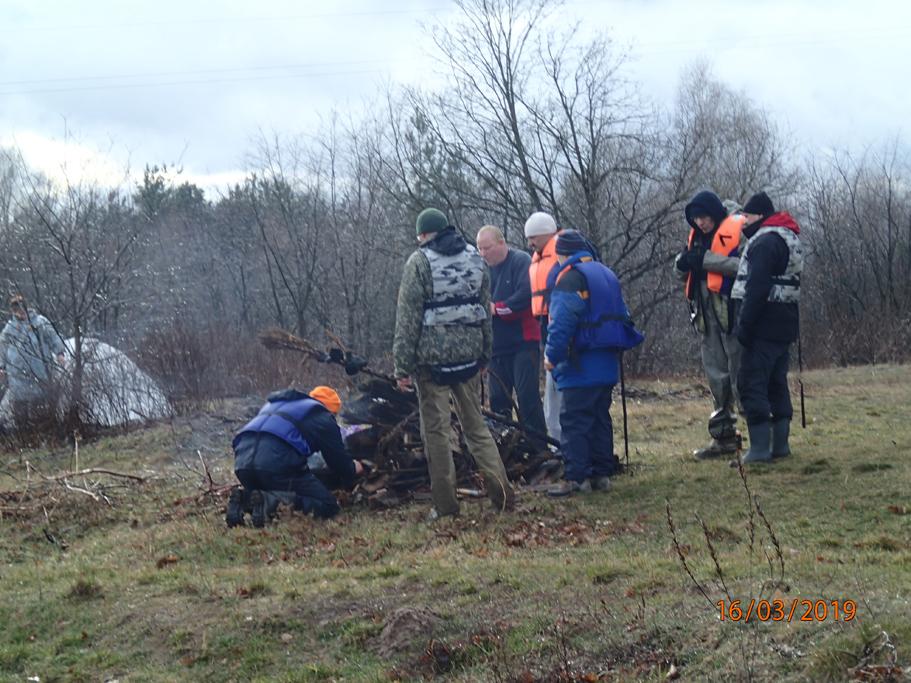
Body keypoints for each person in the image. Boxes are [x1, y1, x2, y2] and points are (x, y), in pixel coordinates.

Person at [393, 208, 514, 519]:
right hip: (469, 358)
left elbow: (407, 320)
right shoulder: (475, 258)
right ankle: (503, 497)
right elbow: (484, 311)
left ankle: (446, 507)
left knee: (436, 433)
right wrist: (485, 354)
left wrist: (401, 367)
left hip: (431, 363)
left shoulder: (419, 261)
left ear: (423, 235)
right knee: (476, 428)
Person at [543, 230, 644, 497]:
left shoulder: (570, 278)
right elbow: (623, 316)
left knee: (574, 420)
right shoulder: (606, 274)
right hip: (607, 362)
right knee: (600, 419)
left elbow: (562, 322)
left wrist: (551, 356)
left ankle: (577, 479)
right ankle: (601, 475)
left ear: (561, 254)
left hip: (580, 363)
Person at [730, 191, 802, 464]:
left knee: (751, 383)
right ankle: (780, 446)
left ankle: (759, 450)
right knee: (776, 383)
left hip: (763, 325)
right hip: (784, 323)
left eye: (747, 216)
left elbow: (757, 287)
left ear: (760, 215)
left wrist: (745, 324)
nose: (744, 222)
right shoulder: (787, 237)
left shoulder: (764, 242)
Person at [227, 385, 363, 528]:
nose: (333, 419)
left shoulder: (276, 406)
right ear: (331, 411)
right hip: (276, 464)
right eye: (334, 415)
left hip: (242, 465)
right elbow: (338, 463)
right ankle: (270, 502)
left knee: (271, 486)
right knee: (328, 506)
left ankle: (244, 499)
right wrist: (354, 467)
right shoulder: (321, 416)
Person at [676, 190, 746, 460]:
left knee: (742, 378)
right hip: (707, 318)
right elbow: (681, 272)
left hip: (734, 316)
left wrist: (706, 261)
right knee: (717, 380)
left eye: (703, 217)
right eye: (695, 219)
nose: (699, 223)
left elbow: (746, 266)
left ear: (714, 214)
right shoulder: (695, 237)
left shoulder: (739, 230)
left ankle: (762, 440)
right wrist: (683, 264)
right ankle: (723, 438)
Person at [475, 225, 546, 438]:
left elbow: (525, 295)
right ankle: (504, 445)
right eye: (480, 249)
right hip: (495, 348)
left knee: (528, 399)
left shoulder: (520, 261)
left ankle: (538, 447)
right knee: (498, 402)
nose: (483, 253)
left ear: (501, 243)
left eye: (487, 248)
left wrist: (497, 309)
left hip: (523, 344)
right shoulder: (480, 270)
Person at [523, 211, 564, 442]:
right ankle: (559, 444)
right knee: (552, 398)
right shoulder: (538, 256)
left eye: (533, 238)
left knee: (556, 398)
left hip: (557, 326)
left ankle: (561, 446)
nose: (530, 243)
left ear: (547, 234)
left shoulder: (561, 253)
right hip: (546, 327)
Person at [0, 295, 67, 429]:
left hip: (39, 372)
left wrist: (59, 353)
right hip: (17, 374)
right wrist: (2, 367)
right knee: (20, 409)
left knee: (39, 406)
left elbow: (52, 337)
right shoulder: (10, 328)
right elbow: (2, 347)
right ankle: (23, 434)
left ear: (23, 308)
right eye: (13, 310)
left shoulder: (39, 323)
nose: (15, 313)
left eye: (17, 309)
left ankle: (39, 433)